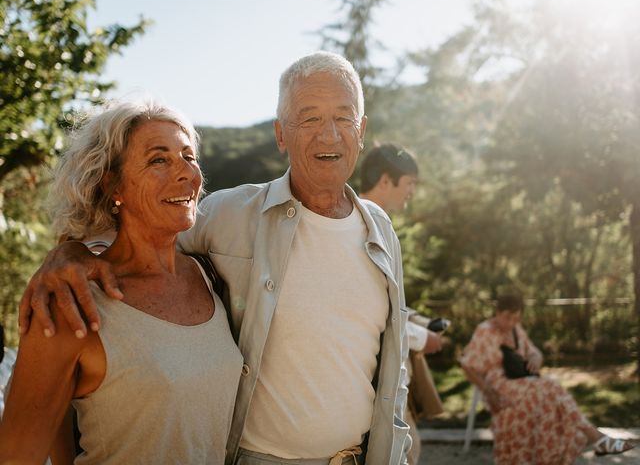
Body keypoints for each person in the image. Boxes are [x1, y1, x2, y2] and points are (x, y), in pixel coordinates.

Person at [18, 52, 410, 465]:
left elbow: (393, 366)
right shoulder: (226, 215)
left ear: (361, 130)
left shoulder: (380, 231)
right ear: (280, 134)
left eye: (343, 118)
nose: (329, 136)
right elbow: (134, 225)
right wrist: (71, 252)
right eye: (309, 118)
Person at [0, 98, 243, 463]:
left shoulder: (210, 274)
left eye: (189, 157)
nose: (185, 173)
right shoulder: (69, 301)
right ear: (113, 185)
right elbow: (16, 455)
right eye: (158, 159)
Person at [460, 294, 636, 464]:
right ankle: (595, 436)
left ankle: (568, 448)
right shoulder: (485, 330)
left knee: (547, 396)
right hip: (498, 384)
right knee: (550, 386)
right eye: (507, 317)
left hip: (524, 382)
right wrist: (488, 392)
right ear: (497, 312)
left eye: (516, 318)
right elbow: (468, 366)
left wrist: (536, 357)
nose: (511, 322)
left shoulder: (516, 330)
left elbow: (534, 351)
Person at [360, 143, 443, 465]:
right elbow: (371, 313)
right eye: (409, 183)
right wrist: (424, 338)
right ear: (385, 180)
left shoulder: (379, 224)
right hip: (376, 386)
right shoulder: (363, 226)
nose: (412, 192)